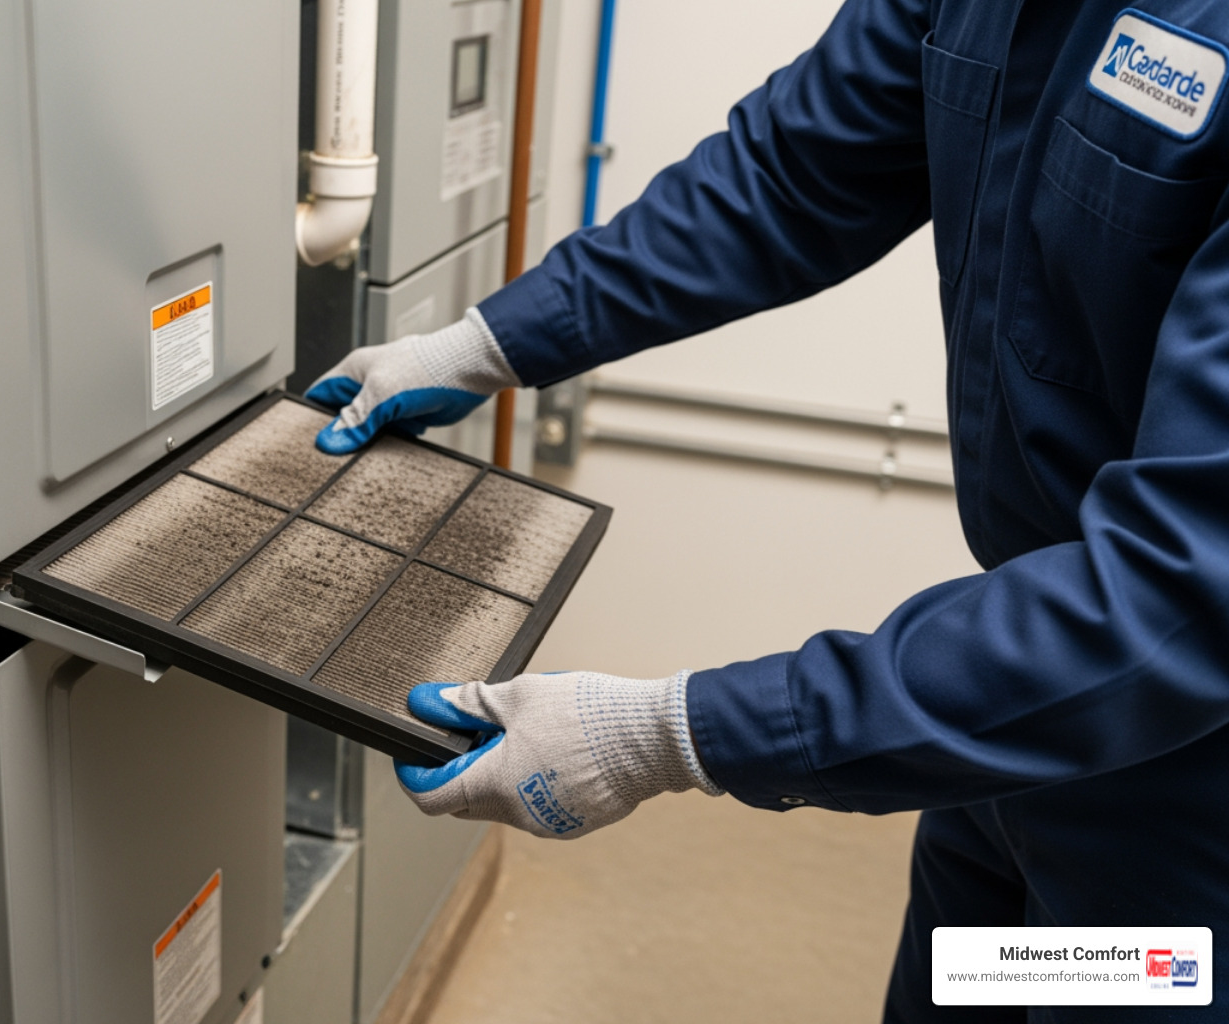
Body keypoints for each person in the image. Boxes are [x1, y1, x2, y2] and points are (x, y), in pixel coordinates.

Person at [307, 1, 1229, 1019]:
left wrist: (669, 733)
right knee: (961, 987)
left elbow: (1180, 594)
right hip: (1005, 729)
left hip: (1184, 799)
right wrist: (492, 341)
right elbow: (789, 174)